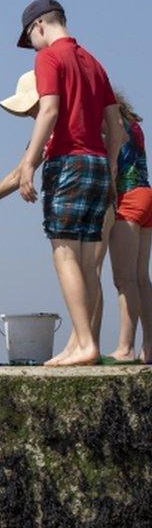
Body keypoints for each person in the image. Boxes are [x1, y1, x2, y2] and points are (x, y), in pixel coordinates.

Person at [0, 71, 117, 364]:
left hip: (88, 186)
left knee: (85, 267)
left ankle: (84, 345)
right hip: (101, 186)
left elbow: (20, 173)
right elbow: (20, 172)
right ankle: (81, 344)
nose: (31, 114)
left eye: (31, 107)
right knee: (88, 269)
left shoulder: (59, 124)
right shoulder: (80, 119)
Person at [11, 0, 124, 365]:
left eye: (31, 37)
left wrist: (28, 164)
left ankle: (86, 344)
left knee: (64, 253)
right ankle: (80, 343)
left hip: (68, 161)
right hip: (97, 164)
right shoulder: (94, 62)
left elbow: (50, 109)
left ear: (40, 25)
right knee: (87, 259)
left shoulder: (48, 58)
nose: (33, 45)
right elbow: (117, 130)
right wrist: (111, 173)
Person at [106, 94, 152, 363]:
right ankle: (148, 346)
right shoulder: (132, 122)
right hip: (146, 192)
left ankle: (125, 346)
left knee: (123, 279)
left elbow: (113, 157)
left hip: (127, 196)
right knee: (140, 278)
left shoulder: (110, 122)